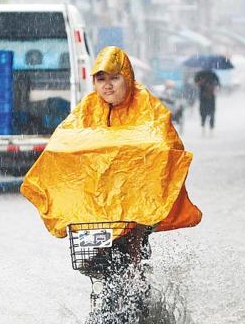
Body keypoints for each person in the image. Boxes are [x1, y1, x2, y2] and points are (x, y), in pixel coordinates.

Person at [21, 46, 201, 264]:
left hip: (135, 195)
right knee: (92, 259)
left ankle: (137, 271)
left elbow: (165, 142)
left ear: (127, 78)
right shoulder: (88, 106)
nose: (107, 85)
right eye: (100, 79)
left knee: (135, 250)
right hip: (97, 200)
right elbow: (64, 140)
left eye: (114, 78)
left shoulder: (146, 103)